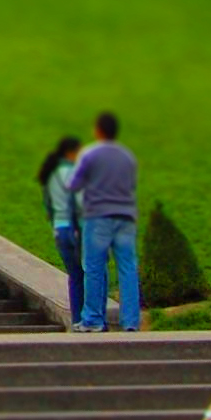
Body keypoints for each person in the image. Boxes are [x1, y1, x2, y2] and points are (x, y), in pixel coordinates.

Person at [70, 112, 142, 332]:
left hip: (98, 216)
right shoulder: (128, 156)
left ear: (98, 130)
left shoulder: (90, 153)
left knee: (94, 266)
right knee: (128, 267)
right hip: (126, 216)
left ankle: (93, 319)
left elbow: (74, 184)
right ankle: (130, 321)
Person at [40, 134, 87, 327]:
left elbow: (48, 204)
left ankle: (76, 320)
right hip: (74, 228)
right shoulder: (71, 172)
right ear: (71, 152)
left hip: (59, 229)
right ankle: (89, 318)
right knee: (88, 273)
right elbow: (80, 202)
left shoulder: (50, 173)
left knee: (74, 276)